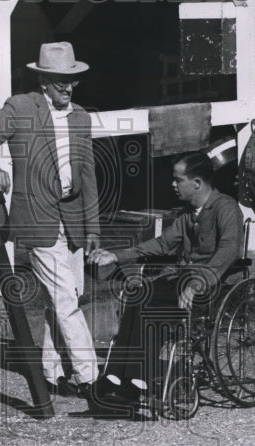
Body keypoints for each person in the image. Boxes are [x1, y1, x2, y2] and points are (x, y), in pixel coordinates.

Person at [0, 42, 100, 398]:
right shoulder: (22, 108)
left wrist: (93, 228)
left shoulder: (81, 117)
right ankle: (91, 379)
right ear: (43, 81)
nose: (67, 88)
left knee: (66, 297)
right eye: (59, 82)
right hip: (37, 219)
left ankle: (52, 373)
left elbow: (87, 175)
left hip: (71, 220)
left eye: (72, 81)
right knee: (65, 299)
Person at [87, 152, 242, 415]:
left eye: (177, 179)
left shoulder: (226, 208)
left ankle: (136, 381)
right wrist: (116, 255)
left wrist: (196, 283)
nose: (172, 184)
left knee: (152, 307)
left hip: (211, 286)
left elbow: (228, 252)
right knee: (139, 293)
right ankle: (117, 378)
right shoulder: (187, 214)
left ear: (196, 183)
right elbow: (162, 244)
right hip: (182, 281)